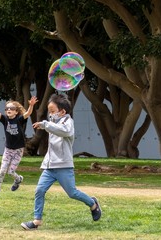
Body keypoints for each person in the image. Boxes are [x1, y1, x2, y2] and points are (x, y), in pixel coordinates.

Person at [21, 93, 101, 230]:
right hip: (49, 166)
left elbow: (64, 131)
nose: (50, 114)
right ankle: (36, 221)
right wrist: (46, 124)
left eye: (53, 111)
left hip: (64, 166)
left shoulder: (68, 123)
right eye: (49, 112)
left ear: (62, 111)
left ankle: (93, 203)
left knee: (72, 193)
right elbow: (53, 129)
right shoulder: (52, 123)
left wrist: (45, 124)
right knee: (39, 190)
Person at [0, 93, 38, 200]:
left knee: (11, 172)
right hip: (8, 150)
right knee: (2, 171)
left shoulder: (19, 119)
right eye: (7, 108)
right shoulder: (4, 119)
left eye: (11, 108)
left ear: (16, 111)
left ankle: (18, 179)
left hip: (18, 150)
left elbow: (28, 113)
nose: (8, 110)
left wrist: (31, 105)